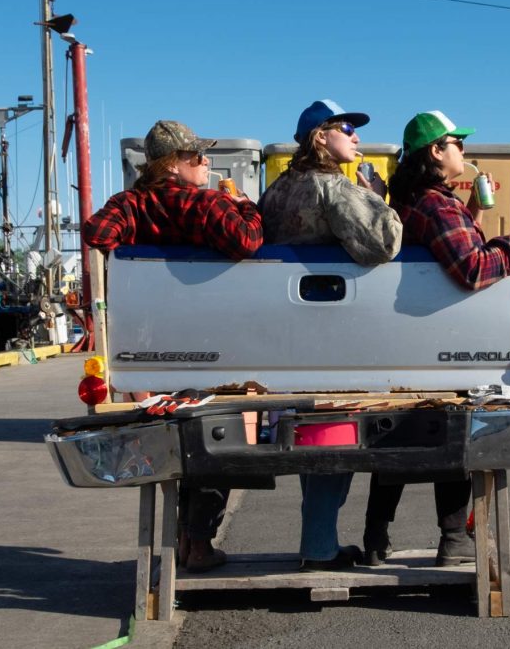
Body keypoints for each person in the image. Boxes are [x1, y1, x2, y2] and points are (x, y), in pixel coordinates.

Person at [83, 119, 263, 573]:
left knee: (174, 444)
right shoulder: (204, 204)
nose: (206, 163)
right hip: (209, 341)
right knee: (216, 440)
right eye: (197, 156)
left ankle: (182, 540)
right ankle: (197, 546)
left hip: (148, 346)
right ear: (175, 163)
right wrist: (245, 207)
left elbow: (97, 233)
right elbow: (248, 242)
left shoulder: (132, 203)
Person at [362, 110, 510, 567]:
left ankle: (375, 539)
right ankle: (453, 540)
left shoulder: (411, 200)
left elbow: (444, 252)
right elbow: (471, 269)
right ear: (436, 151)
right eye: (457, 141)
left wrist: (474, 215)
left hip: (403, 343)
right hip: (440, 343)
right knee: (453, 437)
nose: (464, 149)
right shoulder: (435, 205)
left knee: (394, 442)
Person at [259, 99, 403, 571]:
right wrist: (378, 197)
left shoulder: (278, 190)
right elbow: (381, 244)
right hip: (334, 327)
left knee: (312, 433)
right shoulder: (333, 186)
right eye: (347, 129)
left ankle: (318, 540)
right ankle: (319, 548)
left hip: (286, 329)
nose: (356, 138)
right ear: (321, 136)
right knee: (333, 434)